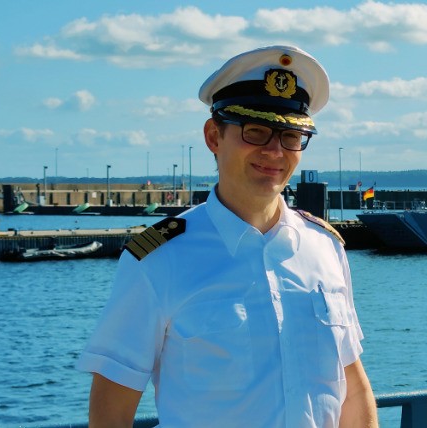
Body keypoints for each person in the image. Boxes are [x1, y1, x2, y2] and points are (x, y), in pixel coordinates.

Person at [76, 45, 378, 427]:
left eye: (290, 136)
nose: (274, 151)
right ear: (213, 137)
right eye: (256, 131)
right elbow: (111, 410)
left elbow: (352, 388)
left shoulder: (325, 249)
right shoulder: (158, 258)